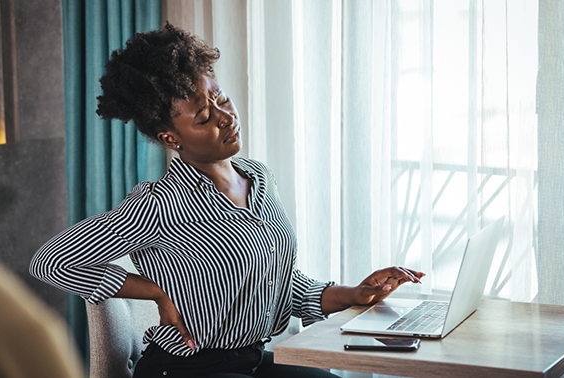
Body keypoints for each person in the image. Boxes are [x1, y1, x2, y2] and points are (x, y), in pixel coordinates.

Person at [30, 23, 425, 378]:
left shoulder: (260, 178)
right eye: (203, 117)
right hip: (184, 369)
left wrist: (354, 295)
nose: (225, 117)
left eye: (221, 98)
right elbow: (49, 261)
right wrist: (153, 291)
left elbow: (283, 286)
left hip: (254, 360)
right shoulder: (162, 202)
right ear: (171, 137)